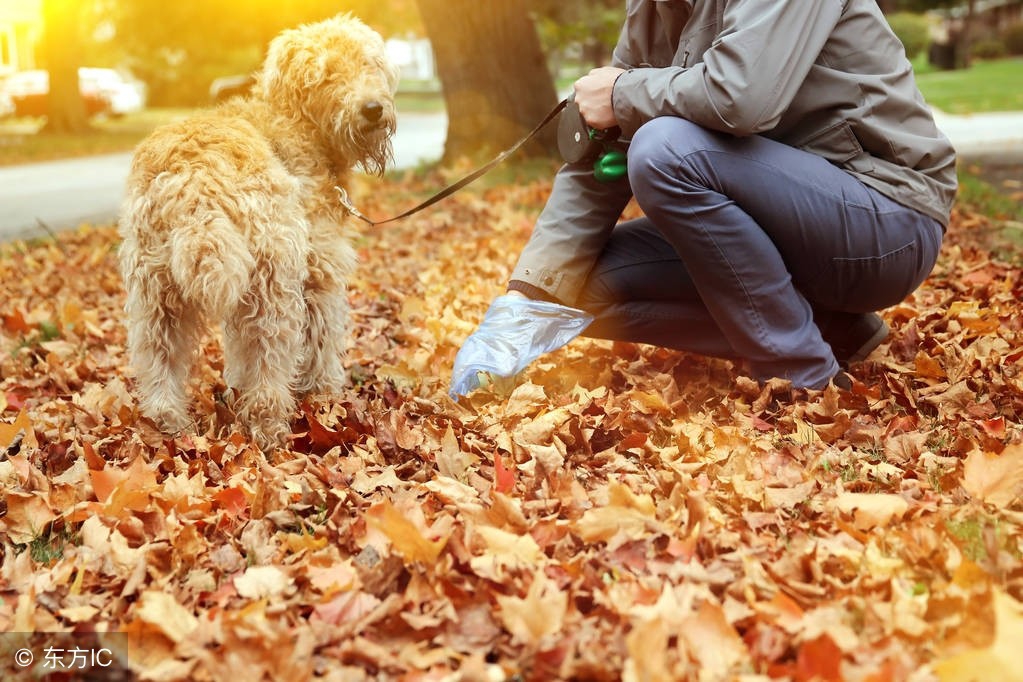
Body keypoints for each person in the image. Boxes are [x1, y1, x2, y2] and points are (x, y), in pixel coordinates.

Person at [449, 0, 956, 397]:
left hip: (883, 219)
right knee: (574, 292)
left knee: (664, 150)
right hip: (783, 224)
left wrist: (623, 92)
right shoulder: (653, 6)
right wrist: (526, 299)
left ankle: (800, 375)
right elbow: (605, 150)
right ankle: (831, 328)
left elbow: (739, 98)